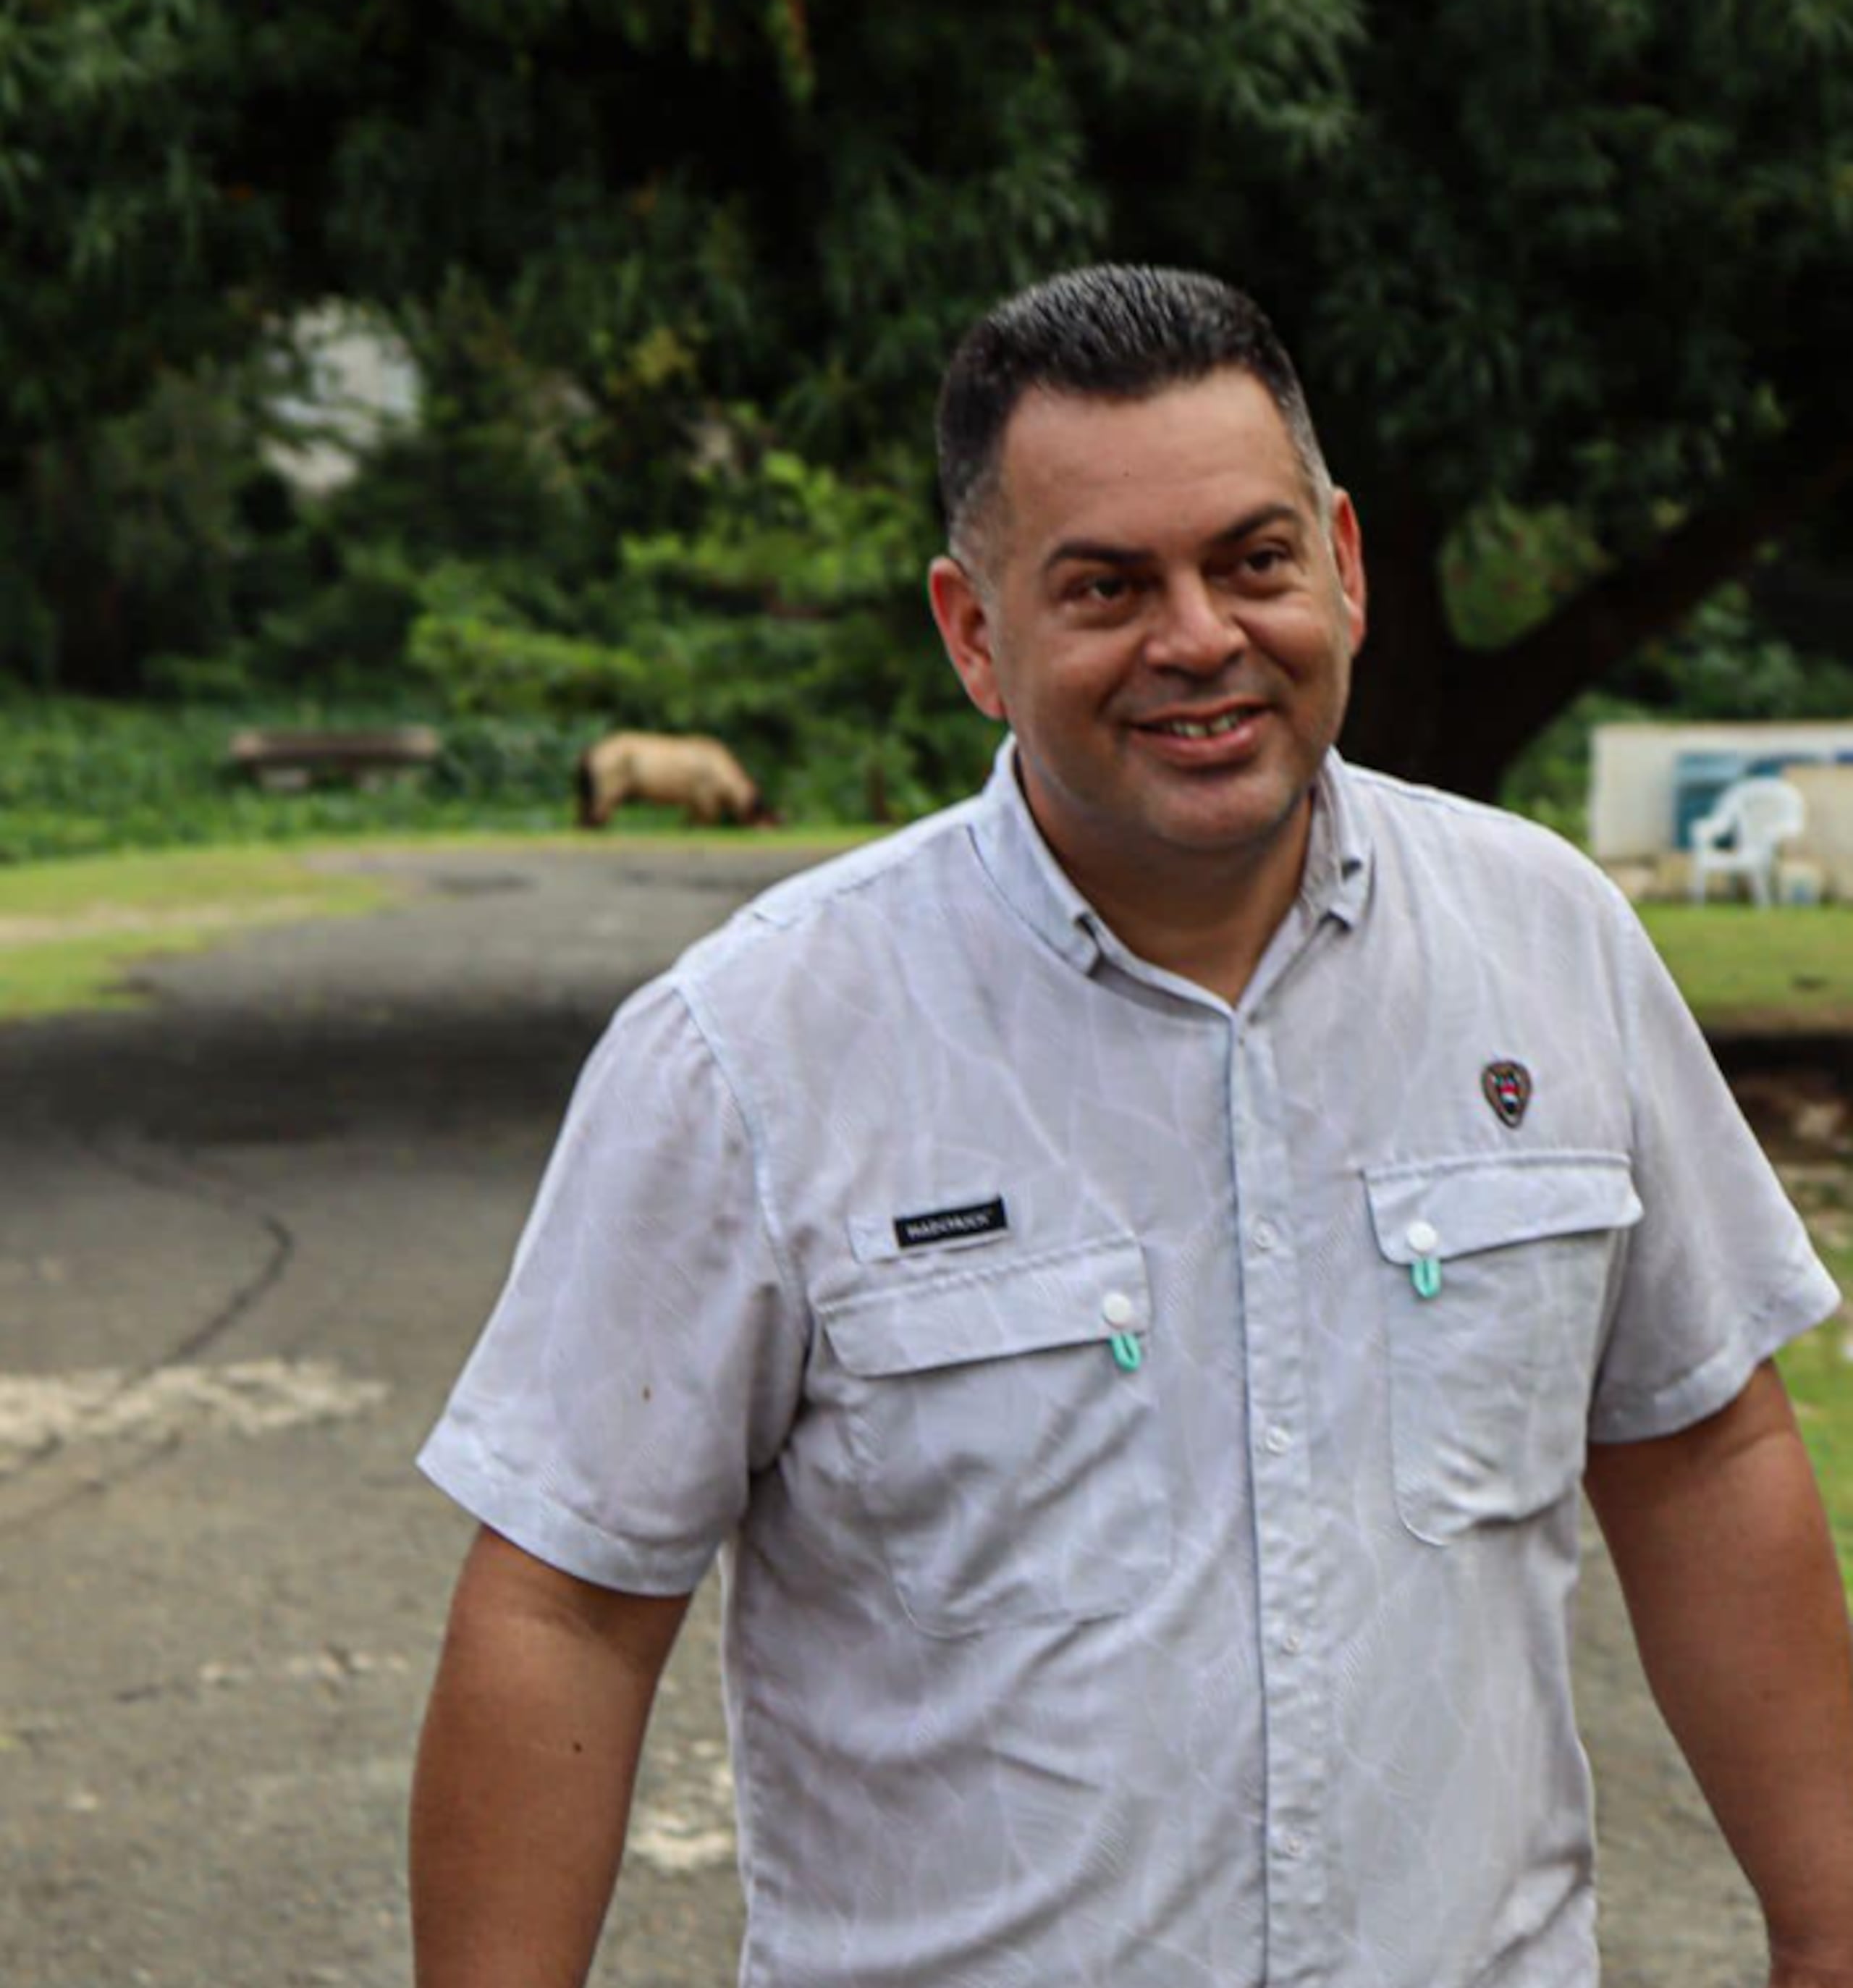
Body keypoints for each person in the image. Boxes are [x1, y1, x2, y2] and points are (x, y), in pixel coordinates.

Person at [409, 265, 1853, 1988]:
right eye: (1103, 586)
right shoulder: (752, 1048)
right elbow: (564, 1604)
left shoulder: (1546, 944)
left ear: (1344, 561)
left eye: (1251, 561)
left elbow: (1698, 1445)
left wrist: (1828, 1923)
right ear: (972, 633)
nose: (1197, 637)